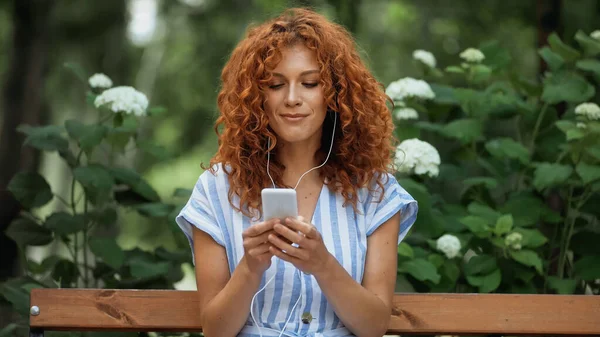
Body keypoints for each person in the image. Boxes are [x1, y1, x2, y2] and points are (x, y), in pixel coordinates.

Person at [175, 7, 418, 337]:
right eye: (275, 84)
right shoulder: (217, 189)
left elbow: (374, 325)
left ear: (335, 93)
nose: (292, 98)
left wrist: (322, 264)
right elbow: (215, 330)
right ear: (256, 97)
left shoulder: (375, 191)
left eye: (310, 83)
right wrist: (251, 267)